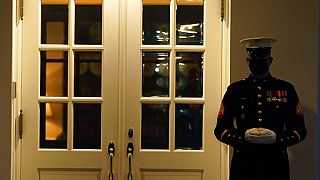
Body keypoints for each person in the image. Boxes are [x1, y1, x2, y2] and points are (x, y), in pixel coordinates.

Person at [214, 37, 307, 180]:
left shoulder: (286, 89)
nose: (258, 64)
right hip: (243, 164)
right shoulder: (235, 90)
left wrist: (278, 138)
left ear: (270, 61)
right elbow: (220, 129)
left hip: (275, 164)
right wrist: (242, 137)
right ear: (247, 62)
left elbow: (299, 130)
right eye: (253, 60)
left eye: (262, 60)